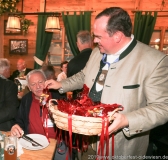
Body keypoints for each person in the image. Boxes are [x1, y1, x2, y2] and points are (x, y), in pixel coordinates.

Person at [45, 7, 168, 158]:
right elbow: (84, 75)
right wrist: (61, 85)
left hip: (120, 148)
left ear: (117, 36)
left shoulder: (154, 61)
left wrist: (127, 120)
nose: (94, 41)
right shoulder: (97, 52)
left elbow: (162, 108)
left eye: (98, 37)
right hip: (87, 142)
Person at [10, 69, 68, 160]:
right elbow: (19, 120)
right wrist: (16, 126)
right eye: (33, 84)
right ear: (29, 87)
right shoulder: (26, 99)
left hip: (58, 144)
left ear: (46, 82)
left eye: (40, 82)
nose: (38, 87)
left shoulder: (59, 97)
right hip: (33, 143)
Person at [67, 30, 93, 99]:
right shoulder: (99, 59)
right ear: (91, 42)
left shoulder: (72, 63)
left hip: (78, 101)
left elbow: (70, 86)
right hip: (96, 102)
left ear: (77, 44)